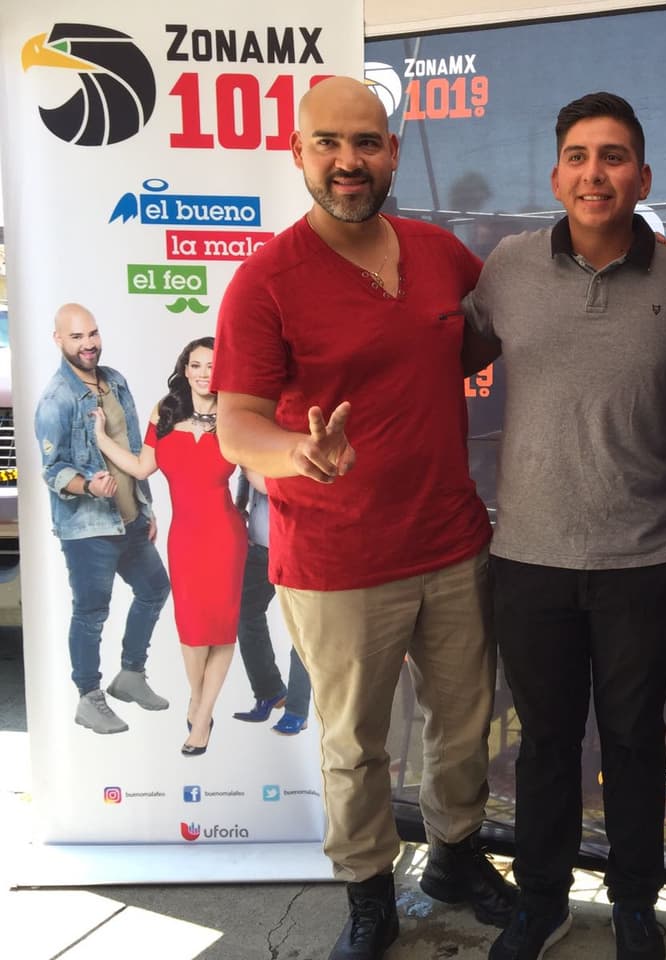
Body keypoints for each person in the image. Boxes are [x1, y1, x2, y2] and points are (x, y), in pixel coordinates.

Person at [211, 75, 514, 960]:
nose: (351, 161)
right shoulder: (266, 281)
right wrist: (296, 454)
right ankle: (369, 891)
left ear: (390, 149)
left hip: (453, 542)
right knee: (354, 746)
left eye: (368, 143)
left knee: (464, 725)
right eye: (331, 144)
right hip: (336, 558)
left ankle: (455, 858)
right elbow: (235, 423)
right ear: (299, 154)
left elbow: (480, 342)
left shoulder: (440, 253)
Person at [463, 91, 666, 960]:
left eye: (612, 156)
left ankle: (637, 900)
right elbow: (433, 361)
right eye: (577, 155)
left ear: (643, 176)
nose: (593, 173)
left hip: (647, 555)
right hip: (529, 553)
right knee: (546, 744)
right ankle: (543, 901)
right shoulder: (508, 270)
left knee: (635, 741)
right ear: (556, 172)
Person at [92, 336, 248, 757]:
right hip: (186, 537)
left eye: (212, 366)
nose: (203, 373)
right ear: (185, 368)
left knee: (222, 628)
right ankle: (197, 699)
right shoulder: (166, 410)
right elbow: (143, 466)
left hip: (226, 537)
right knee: (194, 631)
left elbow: (261, 475)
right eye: (196, 365)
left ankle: (201, 715)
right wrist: (103, 439)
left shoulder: (237, 417)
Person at [35, 302, 171, 735]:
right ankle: (89, 697)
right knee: (92, 612)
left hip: (129, 520)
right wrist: (88, 486)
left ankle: (130, 674)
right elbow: (52, 472)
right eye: (76, 337)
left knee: (154, 589)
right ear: (58, 340)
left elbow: (131, 448)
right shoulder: (56, 399)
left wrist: (145, 508)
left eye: (92, 334)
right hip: (89, 528)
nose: (88, 343)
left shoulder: (115, 381)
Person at [229, 467, 312, 735]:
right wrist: (240, 505)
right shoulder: (254, 433)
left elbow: (270, 483)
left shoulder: (298, 432)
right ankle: (270, 691)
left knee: (301, 630)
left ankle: (297, 711)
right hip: (259, 545)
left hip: (298, 546)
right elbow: (248, 477)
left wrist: (243, 457)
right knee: (244, 613)